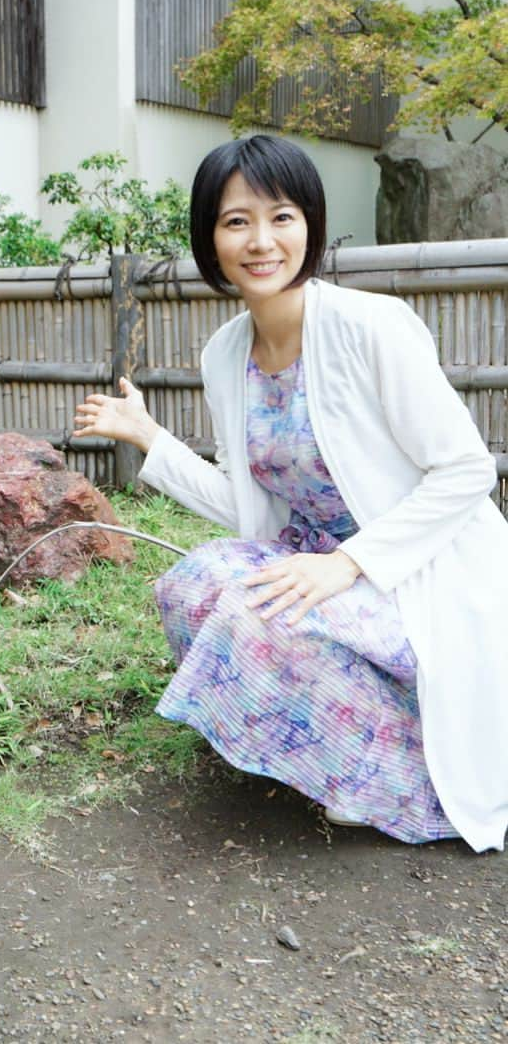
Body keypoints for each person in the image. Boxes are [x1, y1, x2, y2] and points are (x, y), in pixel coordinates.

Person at [73, 134, 508, 853]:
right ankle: (320, 749)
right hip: (320, 567)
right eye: (236, 220)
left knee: (255, 609)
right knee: (193, 585)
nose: (261, 240)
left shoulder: (370, 327)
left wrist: (351, 563)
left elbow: (466, 470)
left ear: (310, 223)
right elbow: (254, 512)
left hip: (422, 574)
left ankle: (391, 774)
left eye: (282, 216)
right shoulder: (225, 353)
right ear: (210, 241)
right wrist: (152, 438)